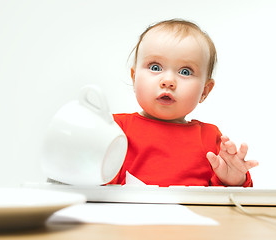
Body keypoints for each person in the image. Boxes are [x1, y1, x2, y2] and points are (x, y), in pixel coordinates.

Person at [107, 19, 259, 187]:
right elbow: (94, 184)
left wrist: (232, 179)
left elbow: (226, 201)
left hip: (191, 212)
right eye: (155, 67)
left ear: (205, 91)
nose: (168, 81)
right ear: (134, 78)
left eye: (185, 71)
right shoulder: (115, 127)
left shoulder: (209, 137)